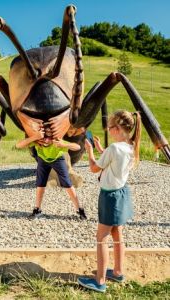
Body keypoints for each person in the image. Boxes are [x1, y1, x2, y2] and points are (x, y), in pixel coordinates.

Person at [78, 110, 142, 293]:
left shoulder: (114, 149)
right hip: (122, 194)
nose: (108, 129)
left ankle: (99, 281)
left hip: (109, 197)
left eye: (110, 126)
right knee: (117, 235)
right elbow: (114, 160)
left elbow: (93, 168)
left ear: (119, 128)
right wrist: (100, 150)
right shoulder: (130, 145)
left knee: (101, 239)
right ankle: (118, 271)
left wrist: (90, 152)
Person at [16, 124, 87, 220]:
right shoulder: (37, 141)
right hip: (43, 160)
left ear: (53, 137)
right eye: (44, 137)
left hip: (58, 159)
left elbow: (78, 147)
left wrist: (64, 144)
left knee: (67, 184)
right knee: (40, 184)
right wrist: (34, 137)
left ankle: (80, 210)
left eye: (49, 138)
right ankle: (37, 209)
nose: (45, 140)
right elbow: (18, 145)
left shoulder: (57, 142)